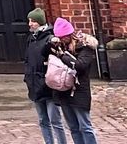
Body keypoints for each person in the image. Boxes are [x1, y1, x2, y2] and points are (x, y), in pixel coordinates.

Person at [23, 10, 69, 144]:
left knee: (55, 121)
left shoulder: (50, 39)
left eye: (33, 21)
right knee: (43, 120)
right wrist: (27, 77)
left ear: (40, 22)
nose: (30, 24)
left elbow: (58, 64)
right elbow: (28, 60)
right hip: (34, 84)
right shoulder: (31, 39)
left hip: (49, 85)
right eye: (29, 21)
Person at [50, 19, 99, 144]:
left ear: (69, 35)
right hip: (64, 92)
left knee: (85, 126)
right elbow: (43, 55)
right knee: (73, 127)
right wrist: (51, 45)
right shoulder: (60, 46)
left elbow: (80, 66)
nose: (61, 40)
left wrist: (62, 56)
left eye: (63, 37)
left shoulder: (85, 47)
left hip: (79, 91)